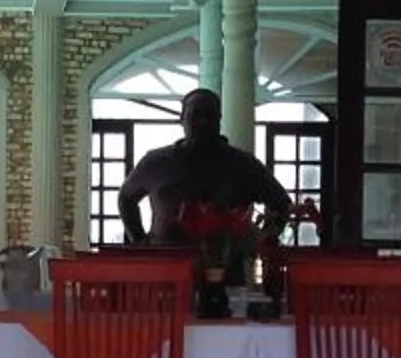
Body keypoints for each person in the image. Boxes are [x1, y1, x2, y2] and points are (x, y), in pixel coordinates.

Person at [117, 87, 293, 244]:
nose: (203, 122)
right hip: (166, 268)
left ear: (219, 120)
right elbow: (126, 198)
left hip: (227, 272)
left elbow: (282, 205)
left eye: (210, 116)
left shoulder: (243, 165)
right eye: (195, 115)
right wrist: (139, 242)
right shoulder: (156, 162)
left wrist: (261, 243)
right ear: (182, 119)